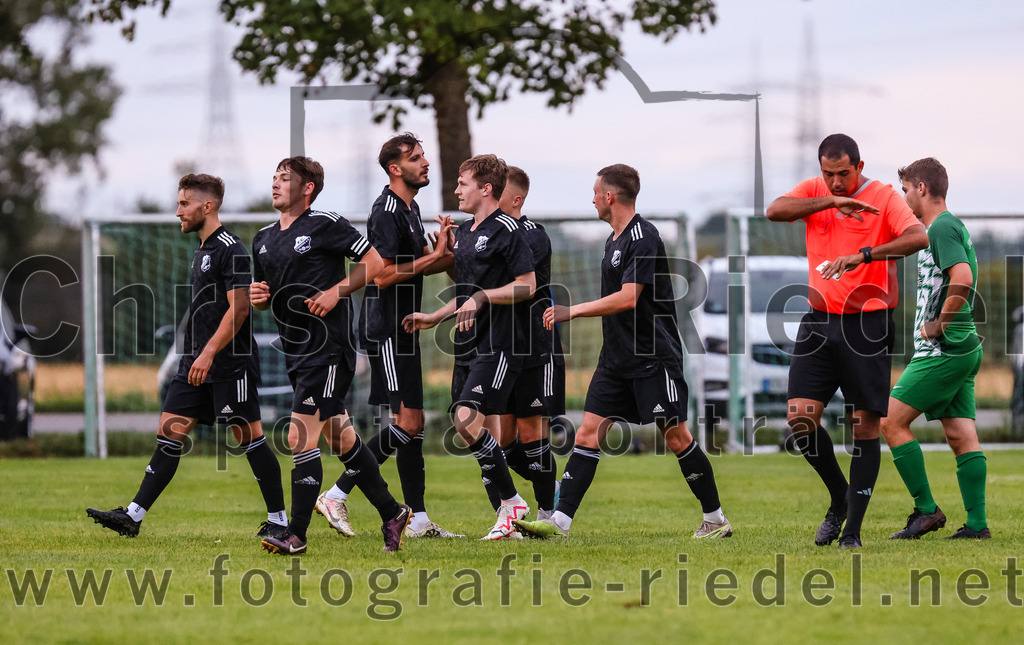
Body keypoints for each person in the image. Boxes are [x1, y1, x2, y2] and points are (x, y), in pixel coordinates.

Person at [514, 164, 731, 540]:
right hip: (615, 359)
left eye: (596, 191)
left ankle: (715, 520)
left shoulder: (643, 236)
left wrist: (574, 310)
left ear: (610, 196)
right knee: (587, 434)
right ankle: (559, 524)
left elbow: (630, 297)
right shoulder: (612, 240)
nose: (593, 198)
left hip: (652, 357)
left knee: (676, 437)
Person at [87, 174, 287, 540]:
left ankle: (280, 520)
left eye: (184, 204)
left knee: (250, 439)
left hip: (230, 363)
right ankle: (133, 515)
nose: (178, 210)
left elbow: (239, 310)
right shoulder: (202, 249)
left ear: (206, 206)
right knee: (169, 432)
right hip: (194, 361)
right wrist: (196, 353)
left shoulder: (232, 249)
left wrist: (209, 353)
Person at [766, 134, 928, 549]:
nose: (836, 182)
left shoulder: (885, 197)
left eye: (842, 174)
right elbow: (774, 211)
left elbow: (917, 238)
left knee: (863, 427)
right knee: (800, 418)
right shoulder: (816, 192)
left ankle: (852, 531)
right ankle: (839, 498)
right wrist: (829, 202)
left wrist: (866, 254)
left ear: (859, 165)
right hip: (819, 320)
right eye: (828, 174)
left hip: (867, 325)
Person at [250, 156, 410, 555]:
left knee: (298, 435)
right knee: (341, 438)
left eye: (284, 178)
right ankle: (392, 511)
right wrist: (259, 299)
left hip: (329, 348)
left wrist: (336, 291)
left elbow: (374, 263)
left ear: (307, 188)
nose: (275, 184)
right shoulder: (264, 237)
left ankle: (296, 535)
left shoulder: (325, 223)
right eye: (274, 177)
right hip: (296, 351)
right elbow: (266, 295)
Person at [316, 133, 462, 539]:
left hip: (404, 327)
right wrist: (433, 258)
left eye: (423, 156)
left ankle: (416, 519)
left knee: (411, 427)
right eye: (416, 159)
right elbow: (379, 276)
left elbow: (413, 266)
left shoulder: (411, 209)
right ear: (395, 169)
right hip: (385, 329)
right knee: (409, 422)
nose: (426, 163)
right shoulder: (386, 210)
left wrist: (444, 255)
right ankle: (336, 492)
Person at [403, 154, 536, 540]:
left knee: (464, 418)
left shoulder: (509, 229)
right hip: (468, 344)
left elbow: (526, 284)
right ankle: (509, 519)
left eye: (462, 183)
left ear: (486, 188)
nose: (456, 189)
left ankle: (514, 503)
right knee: (473, 427)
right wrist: (433, 316)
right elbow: (466, 292)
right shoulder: (465, 230)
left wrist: (483, 299)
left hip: (501, 344)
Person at [882, 157, 989, 540]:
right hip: (962, 347)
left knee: (890, 421)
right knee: (961, 435)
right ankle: (977, 526)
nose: (904, 196)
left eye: (907, 189)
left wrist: (940, 324)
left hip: (946, 347)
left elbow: (963, 276)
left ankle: (926, 511)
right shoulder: (942, 227)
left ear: (922, 189)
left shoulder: (942, 226)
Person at [483, 166, 564, 523]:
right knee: (500, 439)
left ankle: (548, 513)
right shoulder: (488, 232)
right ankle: (512, 512)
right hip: (501, 346)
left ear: (515, 199)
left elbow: (505, 281)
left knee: (533, 432)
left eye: (496, 192)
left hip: (534, 345)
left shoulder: (531, 235)